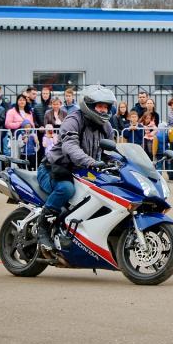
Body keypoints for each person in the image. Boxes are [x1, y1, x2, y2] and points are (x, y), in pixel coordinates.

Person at [36, 85, 115, 250]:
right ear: (90, 106)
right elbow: (70, 147)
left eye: (106, 106)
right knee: (66, 190)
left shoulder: (106, 126)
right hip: (55, 169)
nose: (103, 110)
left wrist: (120, 164)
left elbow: (110, 152)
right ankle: (42, 226)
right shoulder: (74, 120)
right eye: (100, 106)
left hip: (81, 171)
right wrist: (91, 161)